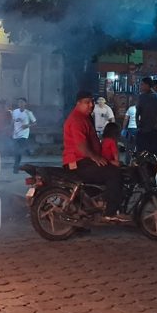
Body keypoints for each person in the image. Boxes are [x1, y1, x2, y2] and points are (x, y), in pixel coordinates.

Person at [63, 91, 125, 220]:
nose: (91, 105)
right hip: (78, 162)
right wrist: (97, 157)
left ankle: (95, 207)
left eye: (92, 102)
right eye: (87, 102)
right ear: (78, 103)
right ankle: (111, 213)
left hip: (84, 160)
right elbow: (81, 147)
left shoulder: (84, 117)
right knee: (114, 173)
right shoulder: (77, 119)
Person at [11, 98, 37, 173]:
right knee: (17, 151)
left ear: (25, 103)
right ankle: (27, 151)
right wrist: (11, 129)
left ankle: (16, 167)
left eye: (22, 102)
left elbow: (35, 123)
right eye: (19, 102)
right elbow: (12, 121)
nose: (20, 104)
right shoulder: (15, 112)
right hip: (16, 134)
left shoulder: (28, 112)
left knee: (18, 150)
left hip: (24, 134)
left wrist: (27, 125)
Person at [121, 97, 138, 163]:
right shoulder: (142, 109)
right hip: (139, 129)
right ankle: (137, 163)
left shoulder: (130, 109)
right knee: (138, 146)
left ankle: (127, 162)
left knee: (129, 147)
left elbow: (126, 119)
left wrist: (123, 128)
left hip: (131, 129)